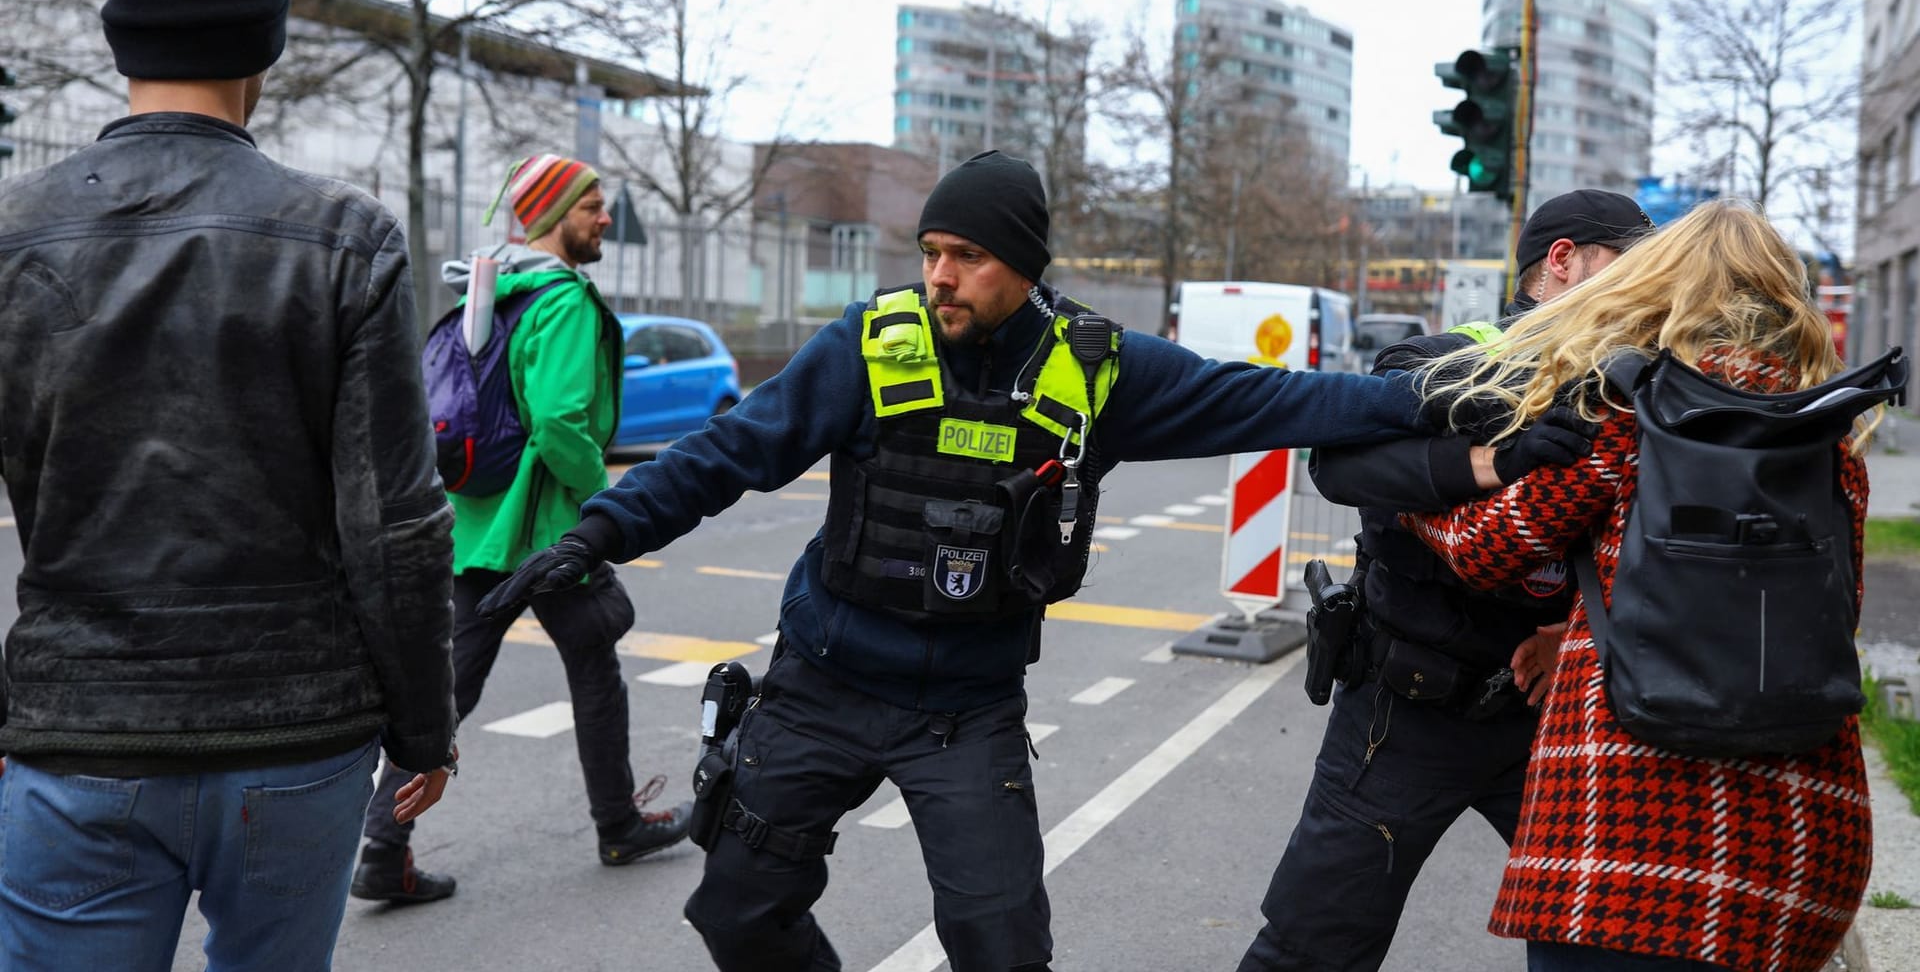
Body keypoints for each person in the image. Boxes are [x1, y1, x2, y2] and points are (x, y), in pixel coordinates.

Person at [474, 149, 1432, 972]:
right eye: (931, 253)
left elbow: (1272, 400)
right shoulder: (868, 345)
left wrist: (1435, 399)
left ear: (1020, 265)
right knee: (736, 910)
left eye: (967, 257)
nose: (940, 275)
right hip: (823, 684)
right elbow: (727, 454)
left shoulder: (1098, 371)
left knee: (1002, 947)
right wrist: (596, 533)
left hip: (966, 710)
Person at [0, 0, 457, 967]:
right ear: (266, 39)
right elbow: (395, 523)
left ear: (120, 40)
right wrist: (423, 728)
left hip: (79, 733)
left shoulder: (13, 234)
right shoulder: (346, 238)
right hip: (297, 737)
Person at [1402, 199, 1873, 972]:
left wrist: (1408, 499)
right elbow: (1819, 609)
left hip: (1625, 833)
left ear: (1660, 285)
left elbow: (1491, 546)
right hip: (1804, 839)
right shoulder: (1831, 440)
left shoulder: (1634, 409)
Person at [1236, 189, 1651, 972]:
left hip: (1553, 718)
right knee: (1312, 948)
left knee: (1603, 945)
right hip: (1404, 717)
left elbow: (1656, 550)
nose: (1648, 295)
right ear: (1561, 262)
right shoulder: (1446, 360)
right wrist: (1493, 460)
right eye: (1630, 269)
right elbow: (1342, 462)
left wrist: (1580, 634)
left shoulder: (1631, 383)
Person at [351, 155, 692, 902]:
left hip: (477, 529)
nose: (604, 219)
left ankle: (383, 843)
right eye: (592, 206)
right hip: (546, 532)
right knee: (597, 672)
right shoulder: (562, 301)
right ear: (550, 215)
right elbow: (562, 421)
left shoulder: (491, 291)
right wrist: (603, 500)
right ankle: (618, 824)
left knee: (449, 692)